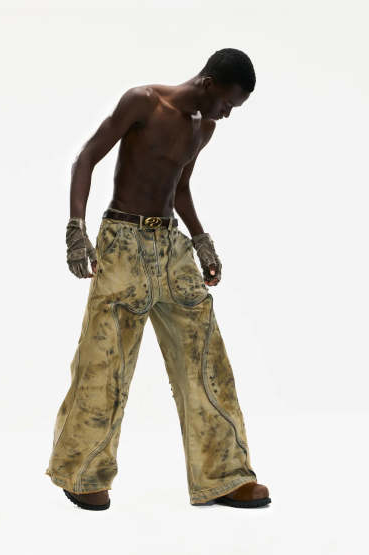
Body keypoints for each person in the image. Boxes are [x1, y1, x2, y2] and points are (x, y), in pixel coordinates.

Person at [45, 48, 271, 510]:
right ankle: (82, 474)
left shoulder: (203, 127)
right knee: (105, 361)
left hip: (171, 245)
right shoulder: (144, 101)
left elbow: (179, 187)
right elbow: (86, 158)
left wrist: (202, 240)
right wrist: (76, 229)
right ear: (208, 83)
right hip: (122, 241)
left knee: (206, 358)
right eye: (226, 103)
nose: (226, 115)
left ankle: (224, 476)